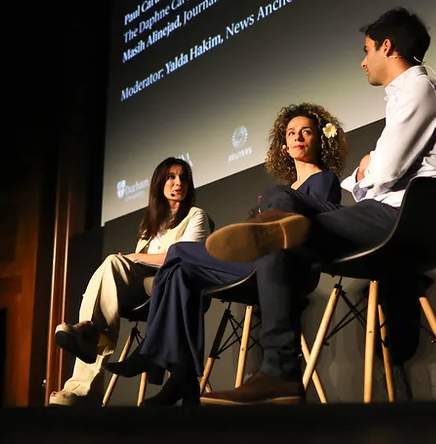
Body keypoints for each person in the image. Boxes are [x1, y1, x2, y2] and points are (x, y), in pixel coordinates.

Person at [200, 7, 436, 405]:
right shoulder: (408, 95)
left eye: (367, 50)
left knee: (279, 225)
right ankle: (277, 225)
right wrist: (366, 171)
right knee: (281, 199)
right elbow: (376, 174)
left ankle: (280, 373)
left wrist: (364, 171)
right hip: (378, 214)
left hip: (399, 221)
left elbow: (384, 171)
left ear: (387, 47)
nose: (363, 60)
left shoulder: (418, 90)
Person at [104, 103, 348, 406]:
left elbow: (308, 234)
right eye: (291, 133)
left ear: (319, 140)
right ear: (283, 146)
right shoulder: (283, 189)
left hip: (284, 268)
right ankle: (182, 377)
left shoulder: (324, 180)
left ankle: (152, 352)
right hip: (258, 264)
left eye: (306, 132)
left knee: (178, 250)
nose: (298, 137)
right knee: (179, 272)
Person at [49, 157, 211, 406]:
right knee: (112, 264)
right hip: (146, 290)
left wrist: (138, 256)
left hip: (174, 286)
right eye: (171, 177)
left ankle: (87, 342)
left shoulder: (195, 216)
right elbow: (138, 267)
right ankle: (85, 350)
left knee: (120, 262)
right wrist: (135, 260)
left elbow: (185, 257)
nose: (178, 183)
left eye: (183, 178)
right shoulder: (151, 225)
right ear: (159, 183)